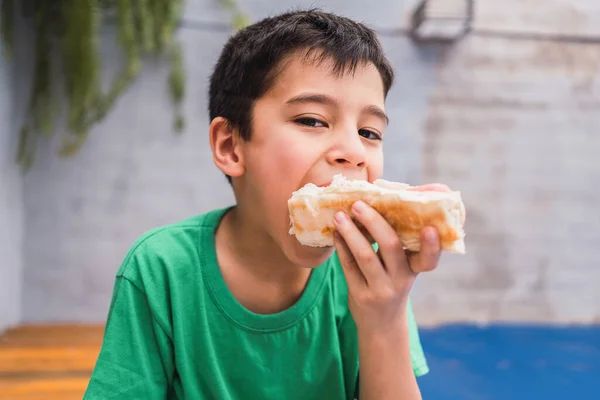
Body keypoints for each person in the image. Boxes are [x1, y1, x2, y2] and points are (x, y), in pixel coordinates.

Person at [84, 8, 446, 400]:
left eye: (369, 131)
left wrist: (384, 321)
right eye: (312, 120)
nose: (354, 151)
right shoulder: (162, 270)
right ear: (231, 146)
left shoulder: (371, 276)